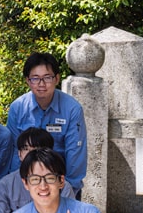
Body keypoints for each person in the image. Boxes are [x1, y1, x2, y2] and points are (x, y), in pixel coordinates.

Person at [5, 52, 87, 195]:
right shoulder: (18, 108)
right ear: (28, 81)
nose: (41, 84)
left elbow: (75, 153)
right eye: (35, 78)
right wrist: (18, 186)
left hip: (61, 183)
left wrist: (68, 190)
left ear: (56, 79)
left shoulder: (72, 109)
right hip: (27, 184)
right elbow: (13, 152)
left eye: (47, 78)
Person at [0, 128, 74, 213]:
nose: (31, 154)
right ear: (19, 154)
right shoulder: (5, 184)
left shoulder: (63, 185)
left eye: (37, 149)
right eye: (26, 149)